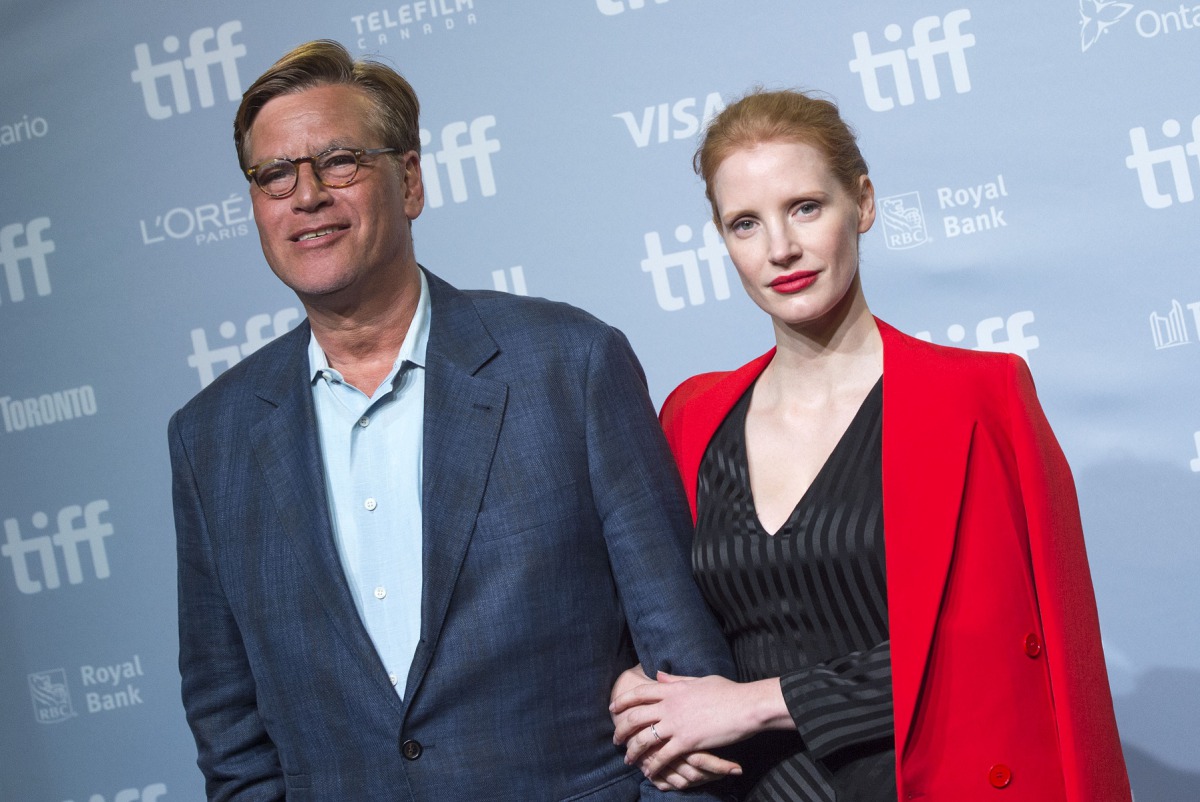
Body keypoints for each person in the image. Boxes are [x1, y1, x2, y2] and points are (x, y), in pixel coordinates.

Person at [168, 39, 735, 801]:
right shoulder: (212, 437)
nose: (305, 196)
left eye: (338, 161)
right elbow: (230, 734)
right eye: (275, 174)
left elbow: (685, 676)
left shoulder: (568, 364)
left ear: (408, 181)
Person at [610, 89, 1133, 801]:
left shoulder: (979, 399)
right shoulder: (693, 418)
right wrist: (635, 694)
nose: (780, 249)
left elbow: (995, 649)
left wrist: (759, 702)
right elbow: (658, 621)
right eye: (744, 224)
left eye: (805, 208)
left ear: (863, 203)